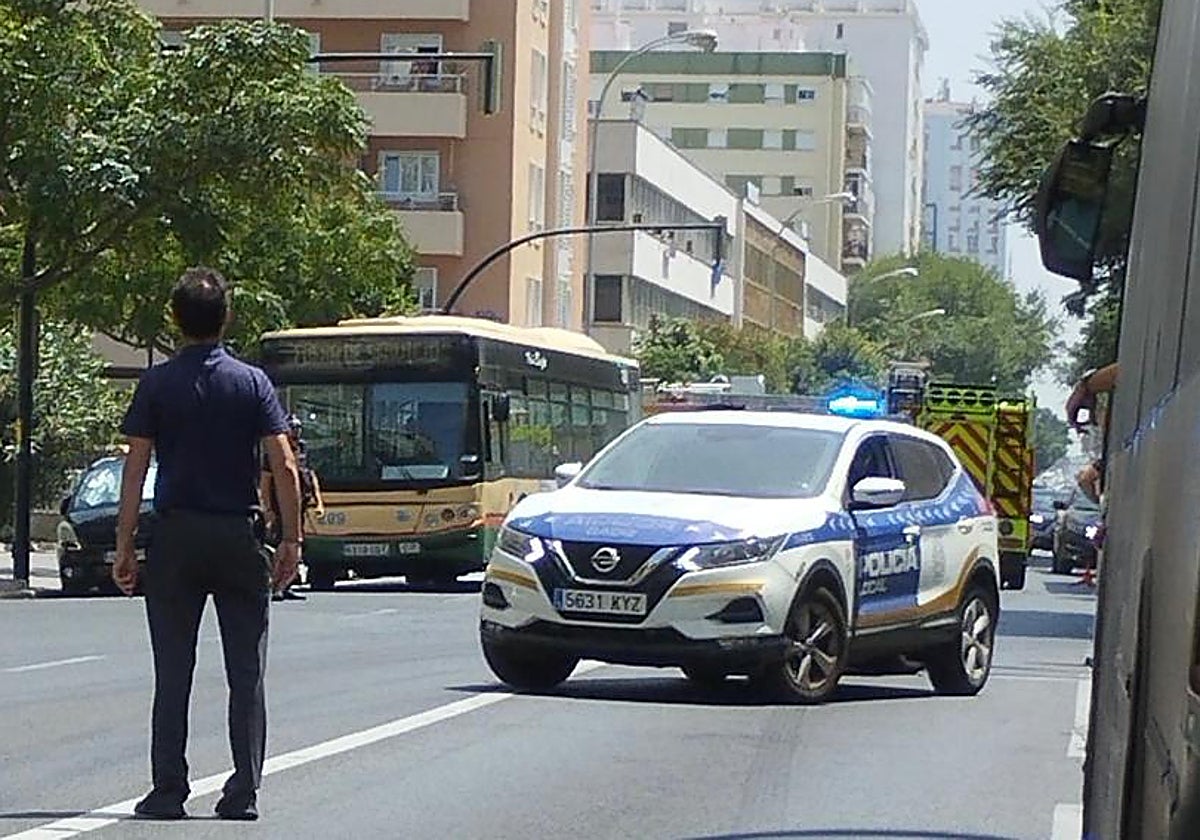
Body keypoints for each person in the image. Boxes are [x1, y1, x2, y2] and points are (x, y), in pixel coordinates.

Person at [113, 266, 303, 822]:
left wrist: (125, 543)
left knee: (173, 669)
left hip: (175, 536)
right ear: (227, 319)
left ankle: (169, 789)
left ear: (176, 321)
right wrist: (291, 538)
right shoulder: (252, 383)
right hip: (237, 534)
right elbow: (284, 463)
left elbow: (135, 466)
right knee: (246, 669)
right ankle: (242, 790)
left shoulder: (157, 384)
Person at [261, 415, 325, 601]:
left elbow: (310, 476)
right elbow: (266, 482)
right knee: (281, 545)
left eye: (298, 429)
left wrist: (318, 501)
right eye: (293, 429)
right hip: (280, 506)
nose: (296, 433)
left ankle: (288, 583)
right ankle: (275, 585)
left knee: (296, 546)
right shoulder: (274, 451)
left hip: (299, 506)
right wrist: (268, 510)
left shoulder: (301, 448)